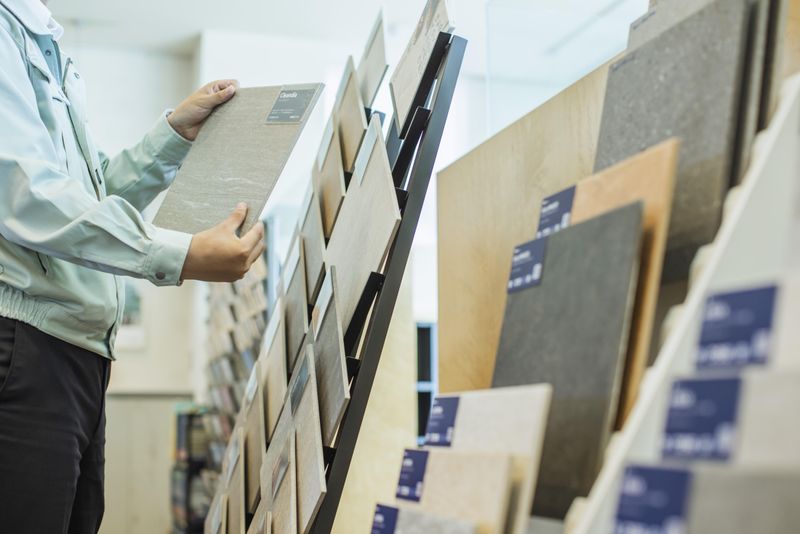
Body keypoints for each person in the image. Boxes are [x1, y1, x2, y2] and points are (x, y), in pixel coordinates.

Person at [0, 0, 264, 531]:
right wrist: (181, 254)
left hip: (77, 356)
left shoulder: (42, 39)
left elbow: (89, 195)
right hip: (28, 347)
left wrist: (173, 137)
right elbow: (26, 197)